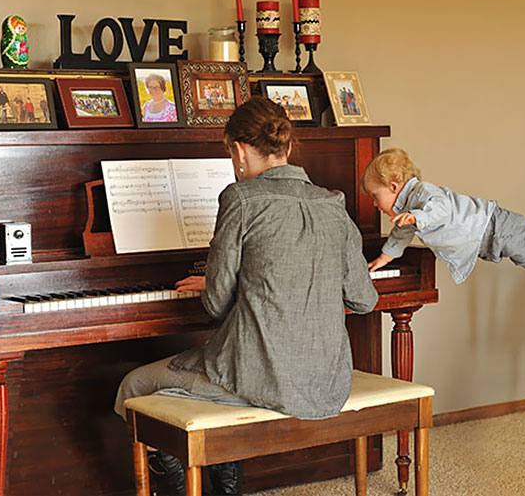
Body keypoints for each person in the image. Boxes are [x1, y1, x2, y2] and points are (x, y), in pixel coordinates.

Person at [114, 96, 378, 495]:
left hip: (262, 378)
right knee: (219, 370)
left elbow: (216, 303)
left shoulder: (241, 198)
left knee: (134, 385)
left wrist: (226, 281)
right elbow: (364, 299)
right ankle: (226, 485)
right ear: (287, 146)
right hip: (326, 379)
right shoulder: (332, 203)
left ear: (238, 150)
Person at [364, 148, 525, 306]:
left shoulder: (423, 193)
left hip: (497, 228)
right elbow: (400, 235)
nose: (374, 204)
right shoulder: (408, 211)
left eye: (375, 196)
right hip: (494, 233)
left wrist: (417, 218)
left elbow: (441, 209)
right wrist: (384, 258)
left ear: (393, 186)